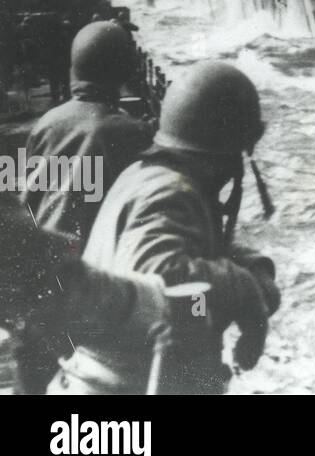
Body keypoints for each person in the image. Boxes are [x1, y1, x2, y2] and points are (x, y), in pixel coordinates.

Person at [48, 61, 279, 395]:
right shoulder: (172, 191)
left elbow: (192, 259)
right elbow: (160, 280)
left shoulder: (150, 176)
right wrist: (242, 288)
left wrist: (253, 269)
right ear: (239, 146)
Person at [13, 21, 152, 393]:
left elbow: (29, 199)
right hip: (89, 284)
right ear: (122, 71)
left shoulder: (47, 123)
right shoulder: (129, 131)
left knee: (32, 368)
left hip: (41, 275)